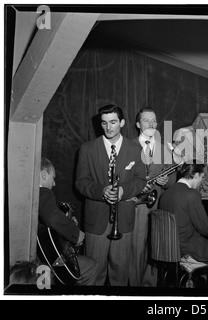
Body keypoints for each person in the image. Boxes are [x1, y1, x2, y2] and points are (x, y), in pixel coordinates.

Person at [75, 104, 147, 286]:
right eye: (104, 123)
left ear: (122, 122)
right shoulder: (87, 149)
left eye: (113, 122)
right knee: (93, 274)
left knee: (121, 275)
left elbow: (141, 180)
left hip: (124, 221)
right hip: (96, 222)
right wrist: (101, 191)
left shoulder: (135, 149)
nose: (108, 127)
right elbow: (80, 183)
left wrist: (123, 191)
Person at [129, 107, 177, 287]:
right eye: (146, 120)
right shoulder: (128, 145)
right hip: (137, 207)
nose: (151, 124)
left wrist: (165, 180)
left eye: (154, 120)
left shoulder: (164, 148)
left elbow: (172, 179)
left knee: (154, 250)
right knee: (136, 250)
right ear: (138, 124)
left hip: (157, 207)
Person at [38, 157, 98, 286]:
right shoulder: (43, 192)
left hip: (39, 257)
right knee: (91, 266)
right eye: (53, 178)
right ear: (44, 175)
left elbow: (47, 221)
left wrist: (66, 220)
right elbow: (52, 218)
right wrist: (76, 234)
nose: (54, 184)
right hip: (44, 261)